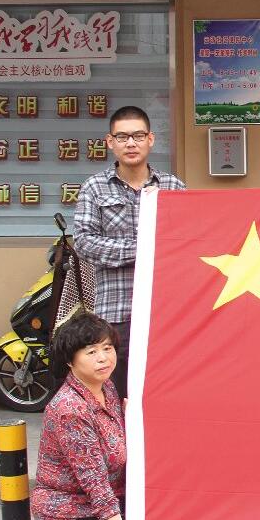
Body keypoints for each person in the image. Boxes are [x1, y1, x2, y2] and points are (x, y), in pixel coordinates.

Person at [32, 312, 167, 520]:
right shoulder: (70, 409)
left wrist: (131, 420)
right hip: (68, 513)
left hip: (112, 499)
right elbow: (95, 485)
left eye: (107, 348)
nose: (103, 358)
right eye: (91, 352)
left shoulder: (106, 387)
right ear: (70, 361)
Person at [73, 105, 186, 399]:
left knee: (163, 393)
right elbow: (84, 242)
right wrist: (144, 247)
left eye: (138, 136)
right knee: (116, 393)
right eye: (122, 137)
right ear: (110, 142)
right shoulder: (94, 188)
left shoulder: (173, 187)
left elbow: (188, 241)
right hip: (116, 312)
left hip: (165, 311)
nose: (131, 143)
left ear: (151, 139)